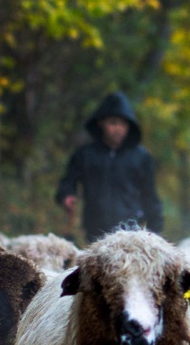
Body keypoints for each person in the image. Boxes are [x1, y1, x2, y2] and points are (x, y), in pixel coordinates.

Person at [56, 92, 165, 242]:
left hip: (132, 231)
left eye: (123, 124)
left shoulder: (141, 157)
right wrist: (67, 195)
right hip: (95, 229)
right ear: (101, 123)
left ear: (129, 126)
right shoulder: (85, 154)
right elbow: (68, 181)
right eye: (113, 123)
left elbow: (150, 195)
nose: (118, 129)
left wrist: (155, 231)